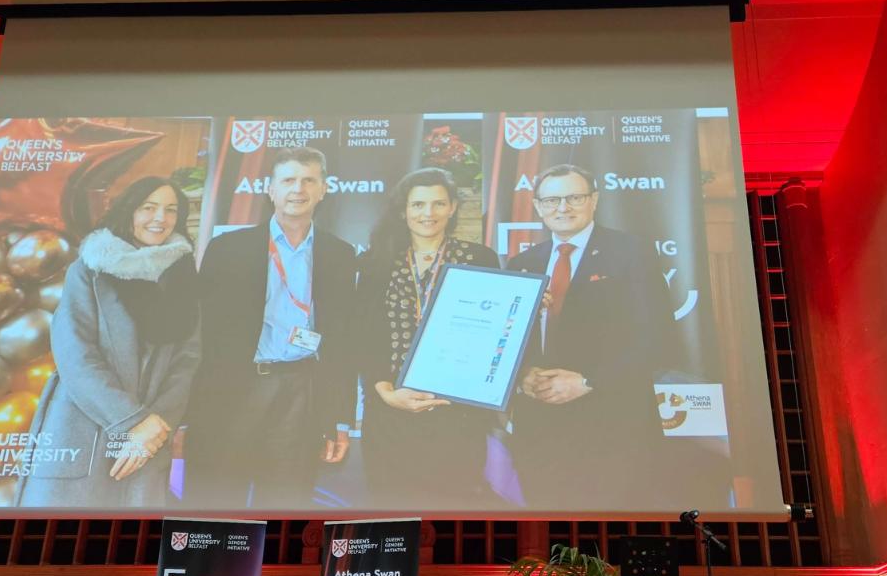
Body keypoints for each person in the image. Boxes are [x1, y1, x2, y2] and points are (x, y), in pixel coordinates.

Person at [185, 146, 360, 509]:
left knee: (286, 505)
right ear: (270, 189)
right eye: (288, 180)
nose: (298, 189)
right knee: (217, 504)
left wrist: (339, 419)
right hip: (233, 391)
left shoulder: (340, 254)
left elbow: (343, 343)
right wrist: (186, 416)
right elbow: (200, 336)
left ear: (324, 189)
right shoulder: (227, 249)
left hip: (300, 393)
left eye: (308, 180)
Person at [18, 176, 201, 508]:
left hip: (150, 437)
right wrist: (132, 421)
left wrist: (156, 425)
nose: (160, 218)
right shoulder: (91, 267)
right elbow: (74, 352)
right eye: (149, 207)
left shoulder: (184, 274)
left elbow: (188, 359)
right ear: (129, 210)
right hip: (84, 422)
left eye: (171, 210)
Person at [505, 163, 674, 508]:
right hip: (539, 431)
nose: (562, 208)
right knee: (546, 542)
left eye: (574, 197)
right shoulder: (522, 264)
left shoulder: (631, 252)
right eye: (551, 200)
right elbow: (506, 342)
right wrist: (521, 376)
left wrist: (587, 381)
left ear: (594, 200)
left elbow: (657, 339)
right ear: (537, 206)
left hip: (611, 426)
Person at [354, 167, 502, 509]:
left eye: (438, 204)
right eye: (418, 204)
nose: (428, 214)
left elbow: (492, 330)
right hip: (390, 408)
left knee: (453, 509)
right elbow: (361, 335)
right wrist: (384, 391)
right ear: (403, 210)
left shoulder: (480, 258)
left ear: (452, 208)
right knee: (391, 511)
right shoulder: (377, 262)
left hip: (457, 412)